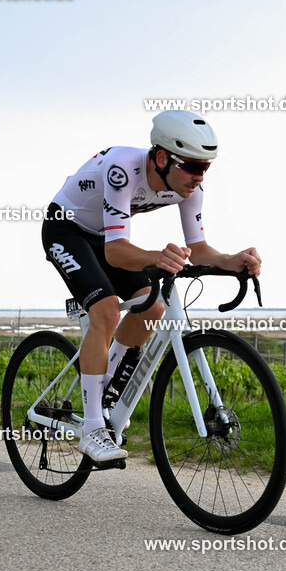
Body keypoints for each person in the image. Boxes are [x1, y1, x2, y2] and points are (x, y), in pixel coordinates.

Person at [42, 111, 261, 462]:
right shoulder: (122, 170)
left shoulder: (191, 189)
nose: (199, 176)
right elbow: (115, 252)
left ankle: (104, 383)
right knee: (107, 309)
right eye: (192, 166)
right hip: (66, 229)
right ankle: (93, 427)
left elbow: (201, 248)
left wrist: (229, 260)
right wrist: (158, 256)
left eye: (206, 168)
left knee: (154, 306)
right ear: (161, 158)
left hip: (104, 237)